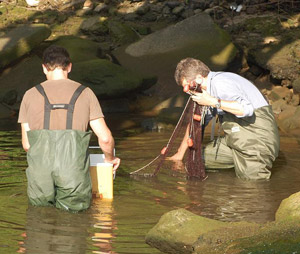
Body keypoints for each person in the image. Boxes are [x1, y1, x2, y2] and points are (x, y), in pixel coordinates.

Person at [18, 45, 120, 211]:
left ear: (44, 68)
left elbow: (27, 145)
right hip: (73, 174)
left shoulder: (29, 95)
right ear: (70, 66)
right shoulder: (85, 93)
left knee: (39, 221)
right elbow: (106, 139)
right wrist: (109, 159)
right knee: (74, 224)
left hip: (40, 175)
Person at [170, 58, 280, 180]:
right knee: (196, 160)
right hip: (234, 141)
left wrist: (213, 102)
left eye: (188, 87)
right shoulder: (207, 92)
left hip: (257, 141)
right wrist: (180, 154)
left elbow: (245, 109)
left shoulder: (221, 83)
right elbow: (197, 123)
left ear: (199, 78)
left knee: (251, 187)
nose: (188, 92)